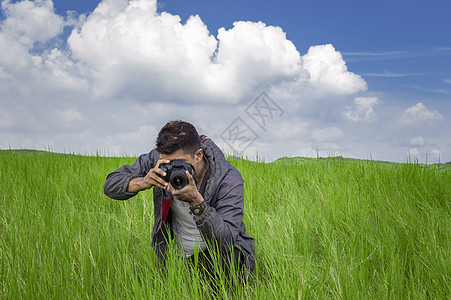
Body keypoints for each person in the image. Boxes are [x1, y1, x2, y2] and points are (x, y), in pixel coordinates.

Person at [103, 120, 255, 279]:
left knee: (225, 265)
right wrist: (143, 182)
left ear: (198, 155)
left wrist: (197, 203)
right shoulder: (159, 160)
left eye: (181, 164)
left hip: (217, 255)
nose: (174, 169)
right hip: (177, 255)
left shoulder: (228, 179)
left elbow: (227, 240)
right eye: (168, 164)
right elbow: (110, 184)